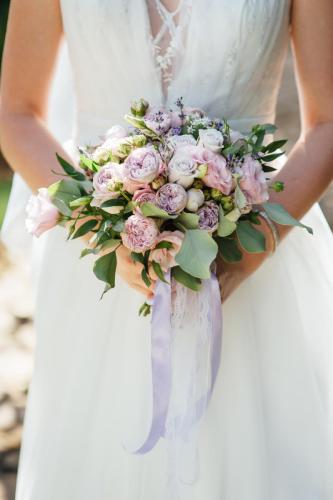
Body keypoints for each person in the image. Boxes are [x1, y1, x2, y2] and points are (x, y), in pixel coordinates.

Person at [1, 1, 333, 498]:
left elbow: (328, 122)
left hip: (255, 256)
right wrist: (104, 231)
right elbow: (16, 113)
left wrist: (250, 252)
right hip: (99, 270)